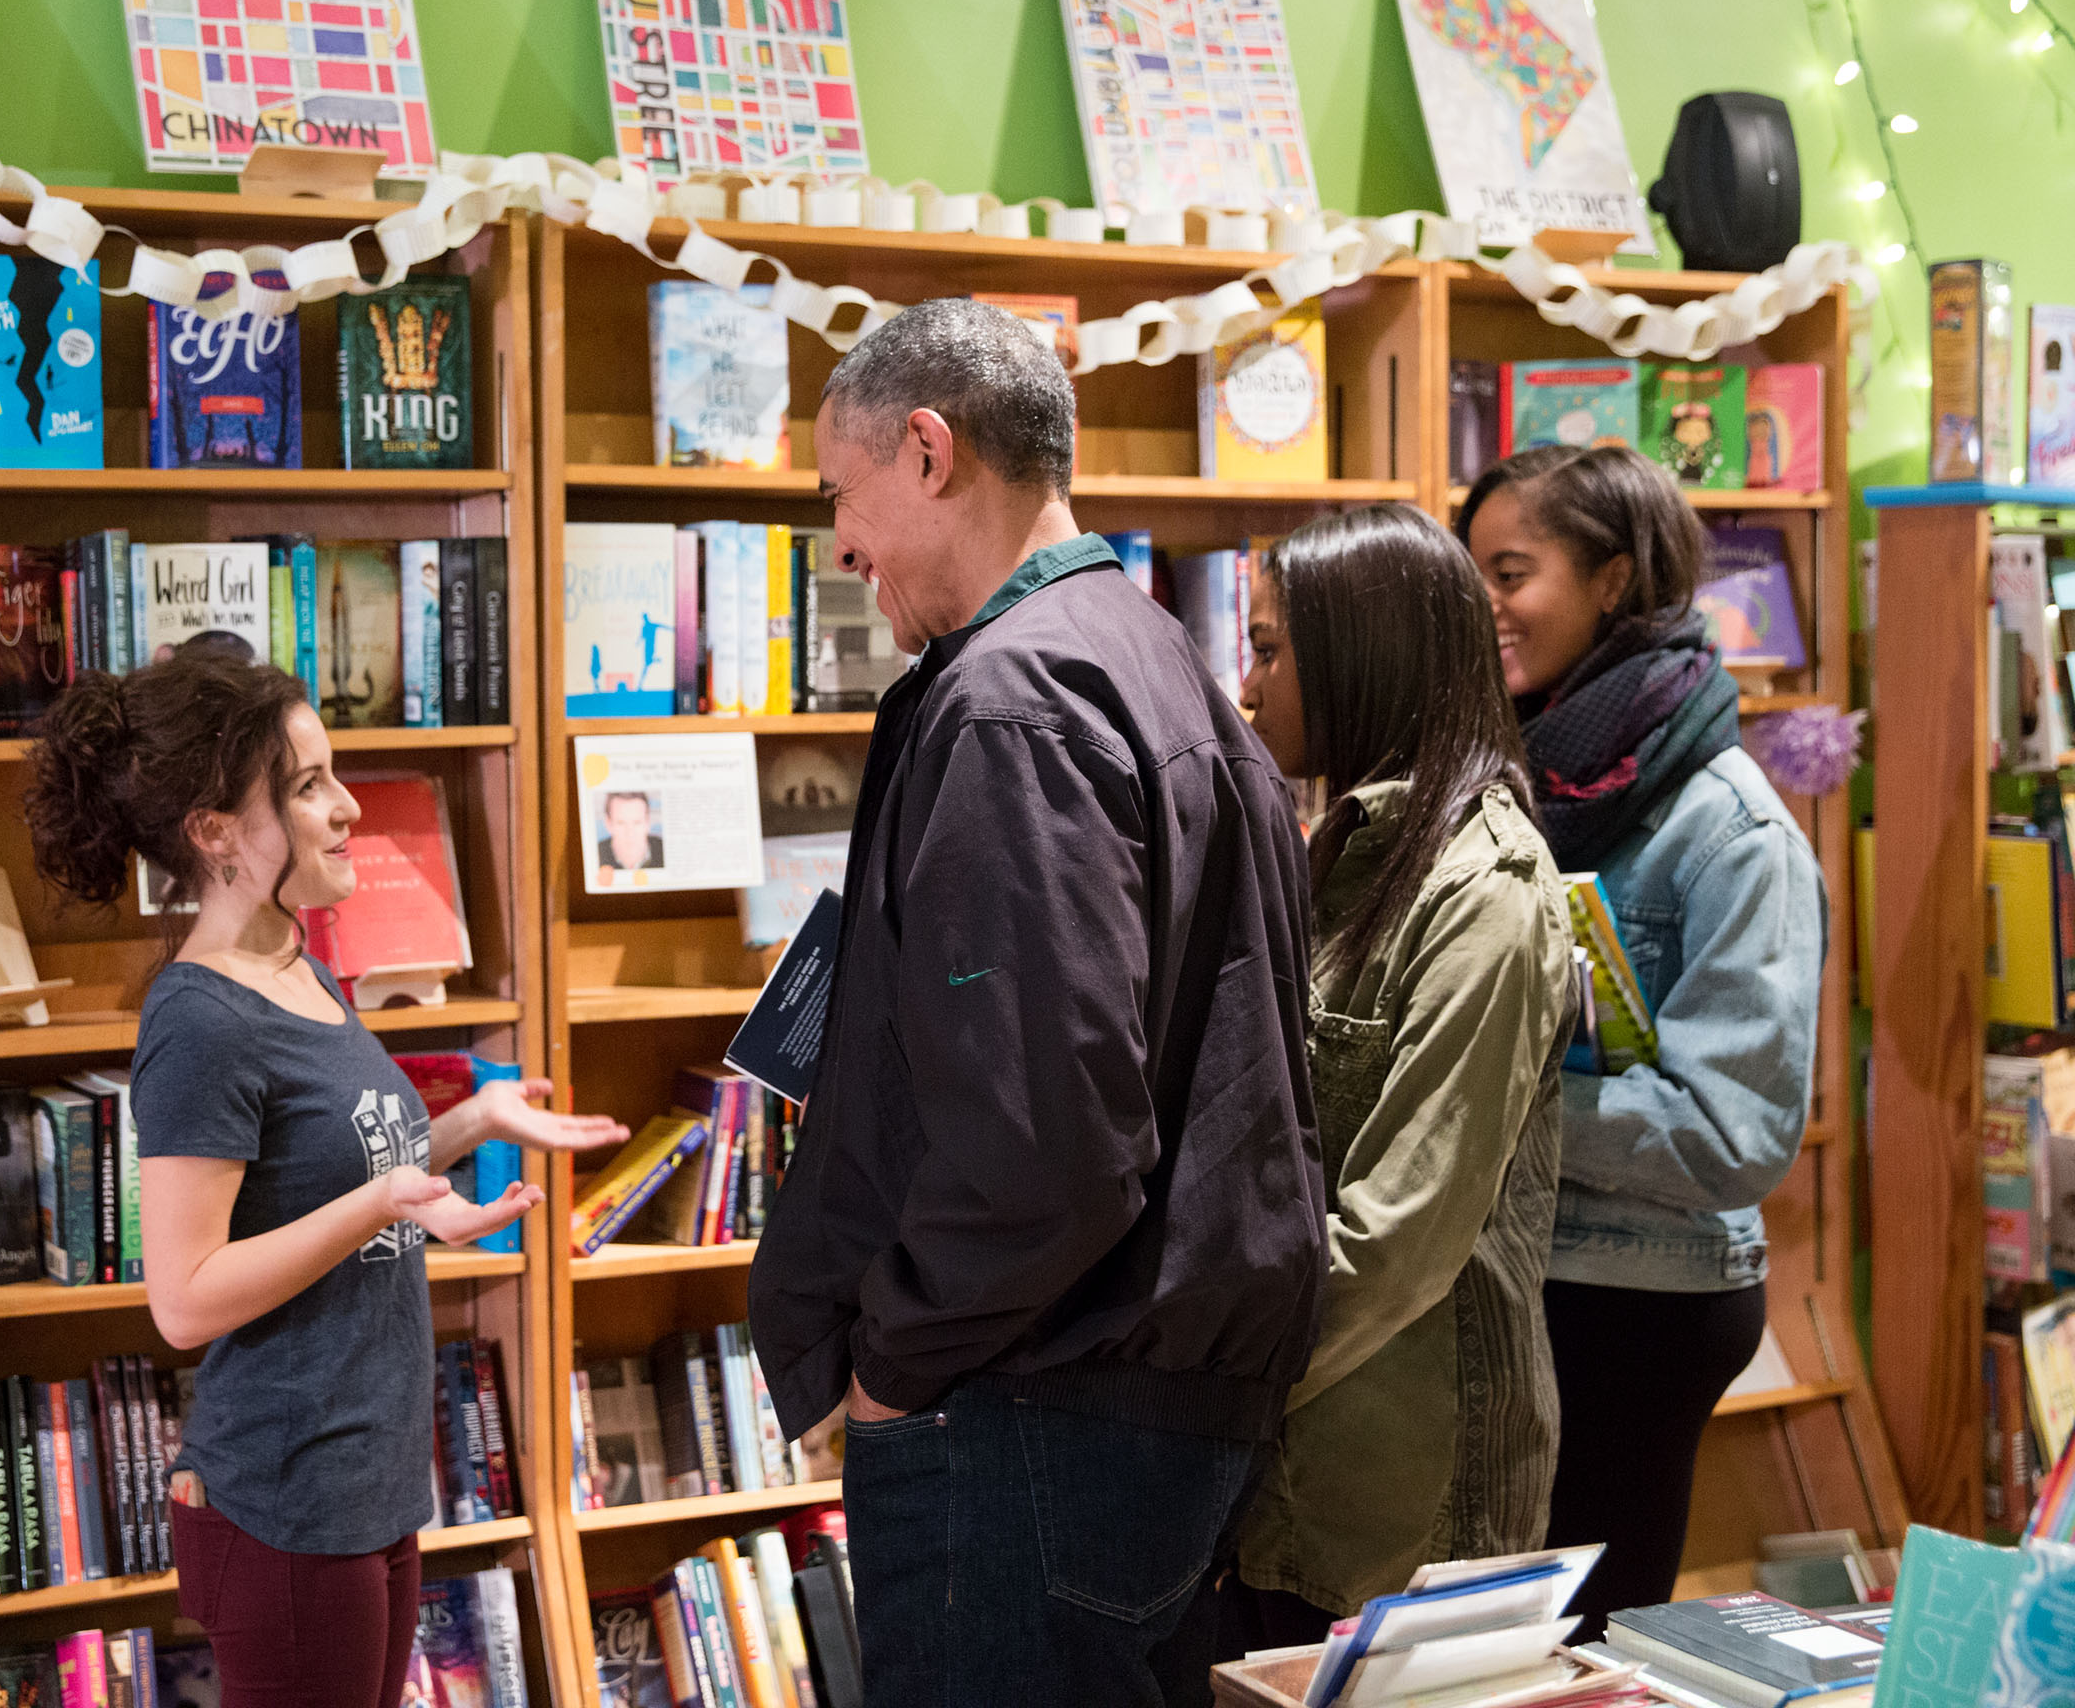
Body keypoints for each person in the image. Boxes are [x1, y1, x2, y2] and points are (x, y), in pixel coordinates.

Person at [747, 297, 1328, 1708]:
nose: (841, 543)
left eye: (843, 490)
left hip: (1029, 1405)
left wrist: (895, 1358)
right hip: (1128, 1399)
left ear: (929, 450)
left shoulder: (1015, 699)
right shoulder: (1152, 659)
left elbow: (1045, 1137)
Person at [23, 651, 628, 1708]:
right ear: (214, 832)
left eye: (331, 775)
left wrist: (470, 1124)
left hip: (366, 1486)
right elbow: (184, 1297)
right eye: (306, 787)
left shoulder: (299, 961)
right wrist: (380, 1202)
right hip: (283, 1504)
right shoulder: (199, 1017)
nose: (347, 808)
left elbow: (333, 1177)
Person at [1457, 444, 1823, 1630]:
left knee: (1588, 1642)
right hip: (1527, 1276)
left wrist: (1486, 1105)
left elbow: (1734, 1135)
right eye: (1474, 578)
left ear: (1614, 580)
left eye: (1512, 572)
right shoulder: (1512, 779)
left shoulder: (1731, 832)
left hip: (1643, 1295)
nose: (1488, 608)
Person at [1222, 505, 1575, 1651]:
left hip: (1407, 1507)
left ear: (1356, 655)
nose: (1247, 682)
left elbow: (1399, 1236)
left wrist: (1196, 1377)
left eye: (1271, 649)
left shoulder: (1488, 892)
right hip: (1295, 1481)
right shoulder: (1341, 854)